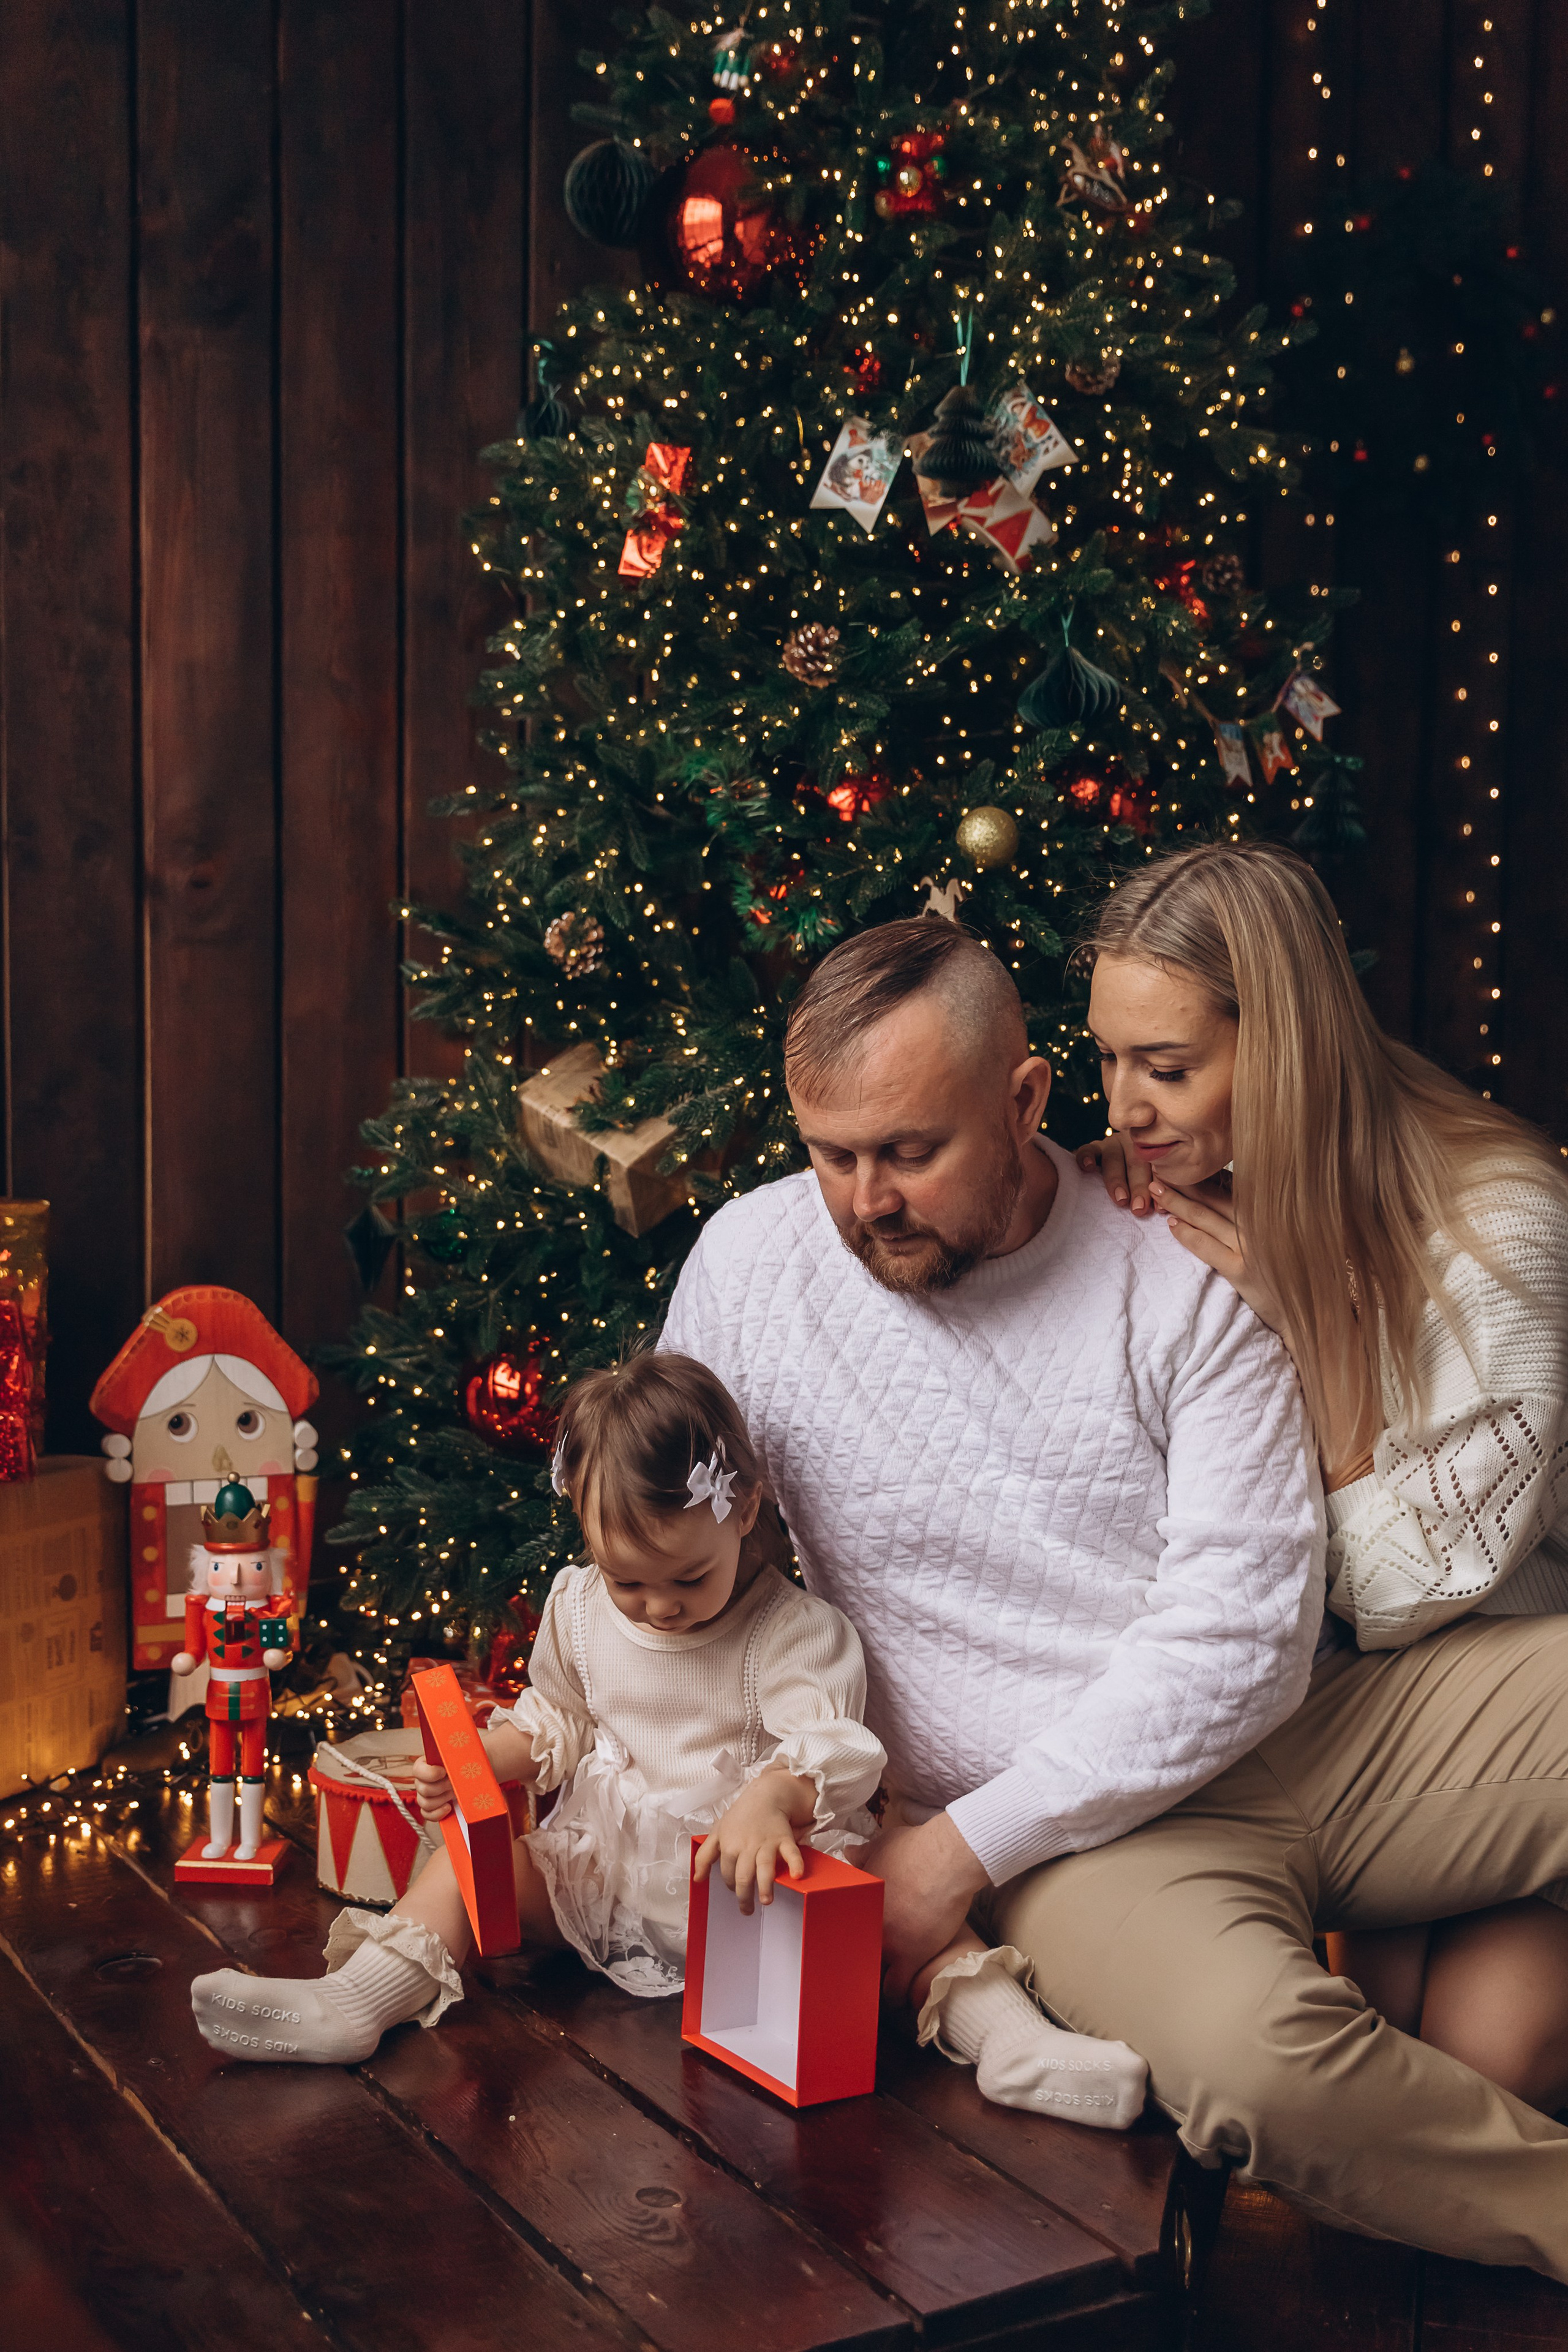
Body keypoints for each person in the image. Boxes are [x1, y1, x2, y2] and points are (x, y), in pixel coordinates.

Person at [661, 913, 1568, 2278]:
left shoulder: (1176, 1262)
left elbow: (1246, 1639)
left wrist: (946, 1859)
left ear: (1024, 1101)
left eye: (909, 1151)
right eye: (829, 1152)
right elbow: (668, 1546)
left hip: (1319, 1731)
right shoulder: (748, 1266)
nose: (861, 1201)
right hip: (1082, 1849)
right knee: (1264, 2075)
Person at [189, 1351, 1147, 2120]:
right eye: (628, 1580)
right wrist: (491, 1761)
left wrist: (774, 1795)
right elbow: (558, 1718)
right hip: (607, 1871)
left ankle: (1011, 2041)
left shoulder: (789, 1631)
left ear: (746, 1509)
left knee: (909, 1915)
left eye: (688, 1580)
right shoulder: (577, 1609)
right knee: (464, 1874)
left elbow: (836, 1749)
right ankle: (359, 2000)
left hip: (755, 1890)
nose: (659, 1607)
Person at [1074, 837, 1568, 2113]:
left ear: (1282, 1046)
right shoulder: (1177, 1182)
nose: (1123, 1109)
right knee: (1386, 2032)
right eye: (1107, 1058)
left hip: (1500, 1686)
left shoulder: (1497, 1225)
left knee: (1486, 2051)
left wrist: (1300, 1330)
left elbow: (1416, 1580)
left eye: (1166, 1067)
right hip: (1332, 1717)